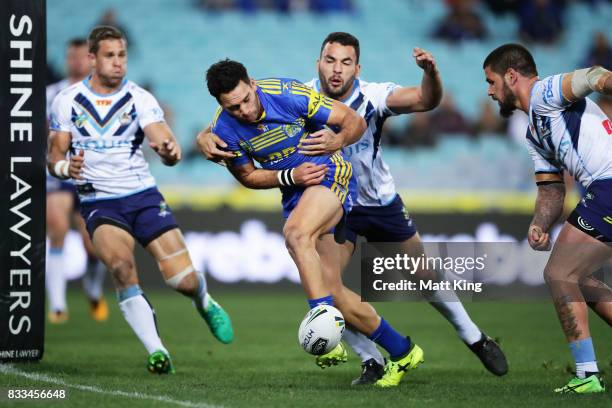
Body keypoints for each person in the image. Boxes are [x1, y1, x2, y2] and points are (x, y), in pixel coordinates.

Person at [199, 32, 508, 385]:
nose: (336, 70)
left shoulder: (372, 95)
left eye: (345, 63)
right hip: (320, 195)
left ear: (356, 68)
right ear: (318, 63)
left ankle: (473, 336)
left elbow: (425, 99)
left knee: (421, 276)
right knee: (325, 285)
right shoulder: (299, 91)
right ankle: (375, 358)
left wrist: (431, 75)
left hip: (375, 200)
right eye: (330, 60)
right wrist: (203, 135)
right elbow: (229, 123)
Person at [205, 59, 425, 387]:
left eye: (246, 100)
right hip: (295, 192)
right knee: (332, 289)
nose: (245, 112)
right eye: (233, 108)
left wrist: (337, 141)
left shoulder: (289, 94)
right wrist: (288, 175)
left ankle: (322, 323)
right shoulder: (223, 130)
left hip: (330, 173)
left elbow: (351, 121)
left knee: (295, 234)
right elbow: (248, 176)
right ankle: (403, 351)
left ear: (252, 83)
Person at [47, 26, 234, 374]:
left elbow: (162, 140)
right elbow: (54, 156)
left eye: (122, 55)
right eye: (110, 55)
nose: (118, 63)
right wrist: (63, 166)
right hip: (100, 202)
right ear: (92, 58)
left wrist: (169, 151)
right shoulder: (66, 101)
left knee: (183, 281)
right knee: (120, 267)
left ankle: (204, 301)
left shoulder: (139, 98)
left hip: (143, 197)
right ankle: (157, 350)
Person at [483, 43, 612, 394]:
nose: (490, 91)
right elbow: (552, 191)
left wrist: (604, 80)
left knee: (559, 273)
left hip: (609, 185)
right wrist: (539, 223)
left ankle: (587, 374)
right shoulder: (534, 132)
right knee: (578, 278)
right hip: (601, 190)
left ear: (512, 76)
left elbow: (595, 76)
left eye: (492, 81)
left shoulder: (544, 93)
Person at [46, 38, 108, 324]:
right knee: (56, 227)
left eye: (82, 57)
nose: (77, 62)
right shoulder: (51, 94)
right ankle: (58, 305)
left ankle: (94, 291)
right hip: (59, 170)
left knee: (92, 243)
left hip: (88, 172)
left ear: (92, 60)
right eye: (72, 57)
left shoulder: (101, 95)